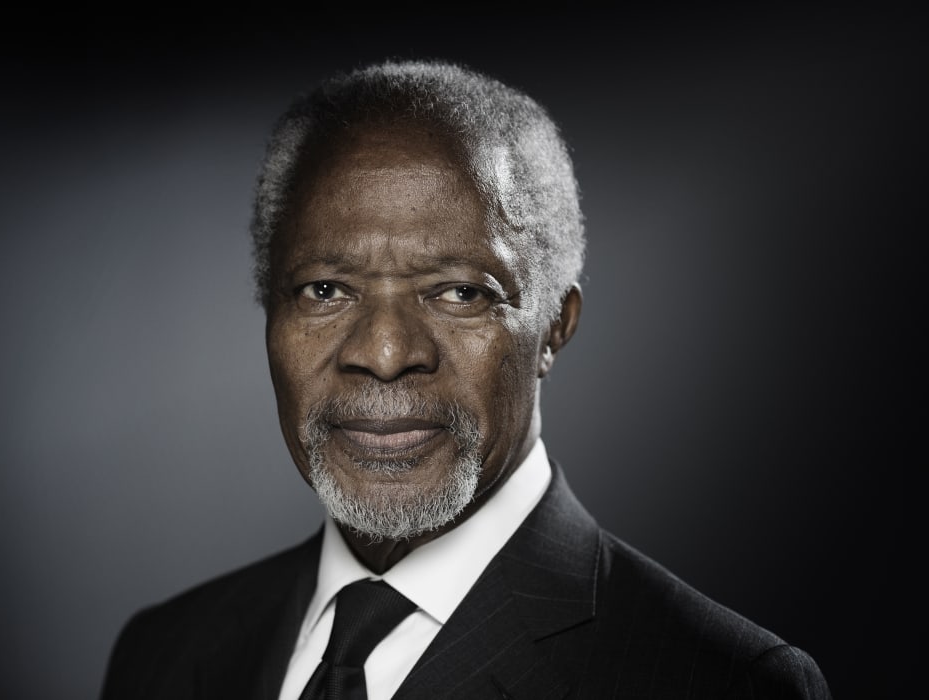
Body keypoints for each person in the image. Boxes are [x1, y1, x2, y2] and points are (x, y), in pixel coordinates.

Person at [99, 58, 832, 699]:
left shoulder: (722, 683)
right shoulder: (164, 653)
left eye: (461, 292)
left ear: (555, 325)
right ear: (268, 311)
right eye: (325, 290)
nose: (384, 354)